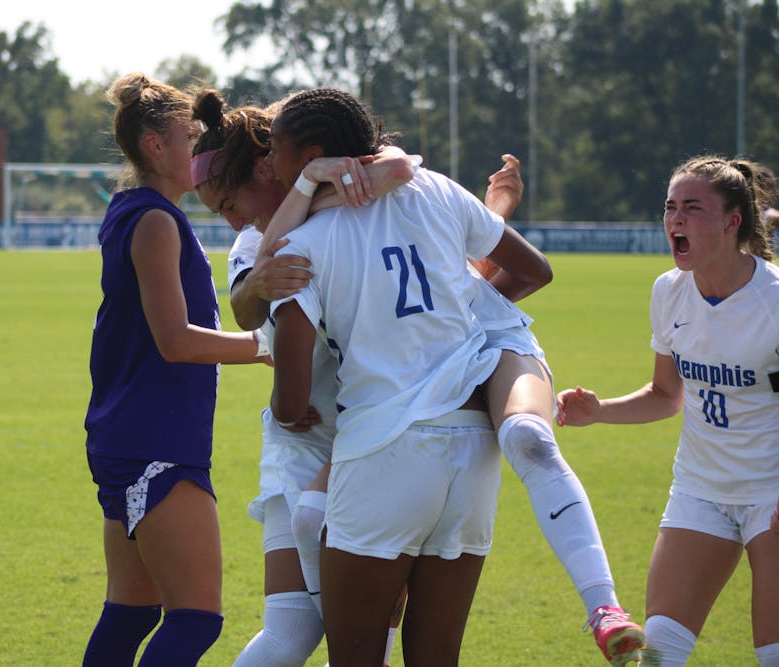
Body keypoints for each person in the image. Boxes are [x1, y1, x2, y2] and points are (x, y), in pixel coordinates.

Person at [259, 89, 645, 665]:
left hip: (384, 454)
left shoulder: (299, 247)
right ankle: (603, 603)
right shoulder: (435, 187)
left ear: (313, 155)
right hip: (472, 451)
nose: (269, 164)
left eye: (276, 151)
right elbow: (534, 269)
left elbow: (291, 395)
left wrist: (290, 412)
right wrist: (471, 305)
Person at [190, 89, 416, 667]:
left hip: (381, 440)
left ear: (269, 168)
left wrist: (330, 175)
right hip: (302, 445)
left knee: (368, 635)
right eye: (220, 213)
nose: (234, 221)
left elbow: (403, 166)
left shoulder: (353, 207)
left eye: (230, 203)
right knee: (293, 631)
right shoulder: (254, 242)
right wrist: (258, 285)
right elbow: (243, 309)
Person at [79, 73, 271, 667]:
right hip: (154, 441)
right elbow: (174, 340)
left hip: (131, 435)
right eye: (189, 137)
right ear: (156, 146)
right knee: (196, 619)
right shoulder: (156, 220)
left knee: (133, 609)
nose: (200, 149)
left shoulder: (138, 210)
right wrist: (263, 345)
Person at [556, 156, 779, 667]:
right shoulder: (668, 292)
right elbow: (665, 395)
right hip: (700, 491)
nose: (675, 220)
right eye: (670, 207)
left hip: (770, 494)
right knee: (659, 654)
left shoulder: (773, 302)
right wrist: (599, 411)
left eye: (693, 208)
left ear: (732, 221)